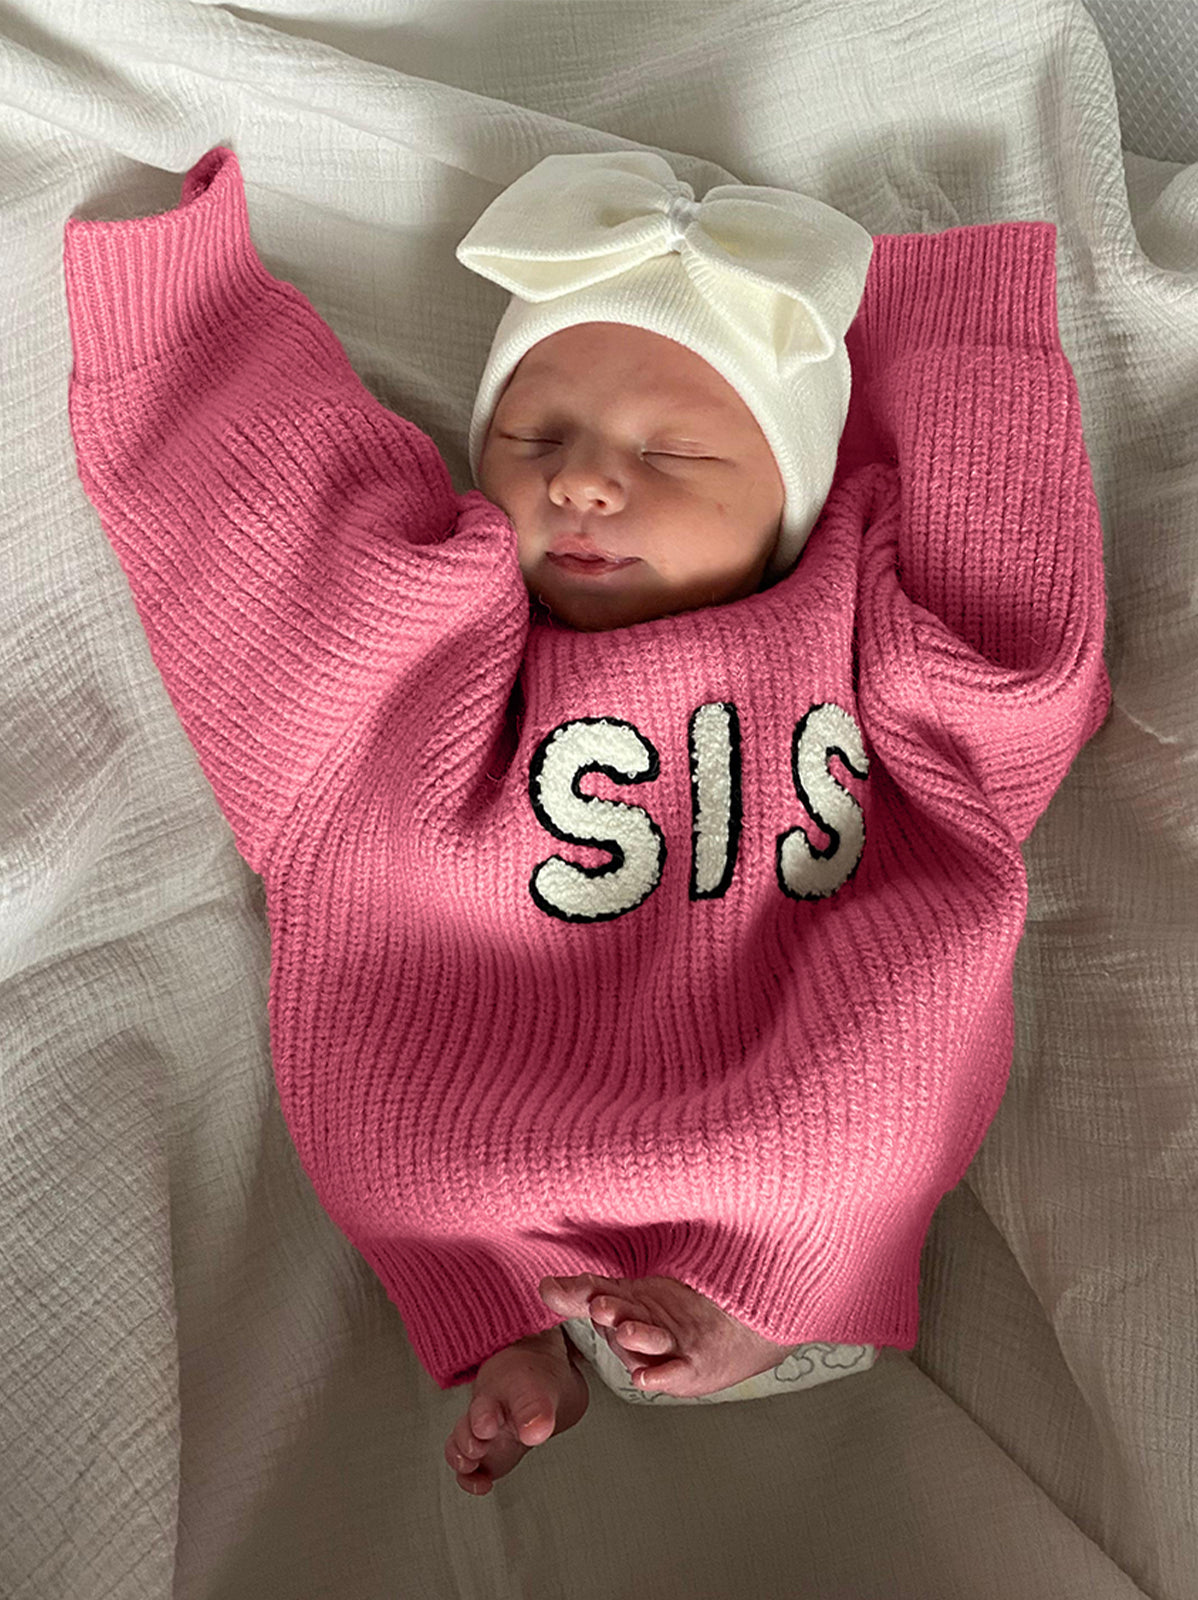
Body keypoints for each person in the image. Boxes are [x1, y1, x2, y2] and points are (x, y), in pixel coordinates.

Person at [62, 145, 1110, 1500]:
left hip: (797, 1065)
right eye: (532, 438)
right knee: (402, 1133)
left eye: (669, 451)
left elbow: (1012, 668)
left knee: (883, 1087)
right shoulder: (444, 648)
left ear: (790, 494)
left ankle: (773, 1296)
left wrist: (952, 341)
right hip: (486, 1064)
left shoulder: (848, 612)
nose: (583, 484)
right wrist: (190, 324)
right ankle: (508, 1324)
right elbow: (283, 566)